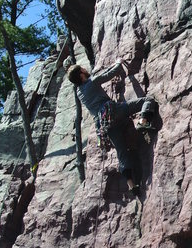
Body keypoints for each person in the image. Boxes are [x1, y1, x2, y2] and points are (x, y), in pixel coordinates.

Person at [67, 59, 156, 196]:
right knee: (147, 100)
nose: (85, 69)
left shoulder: (79, 94)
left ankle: (131, 184)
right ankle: (143, 121)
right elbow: (110, 74)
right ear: (81, 74)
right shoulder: (91, 82)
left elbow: (103, 75)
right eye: (83, 69)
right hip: (114, 111)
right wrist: (118, 62)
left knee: (122, 153)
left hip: (105, 125)